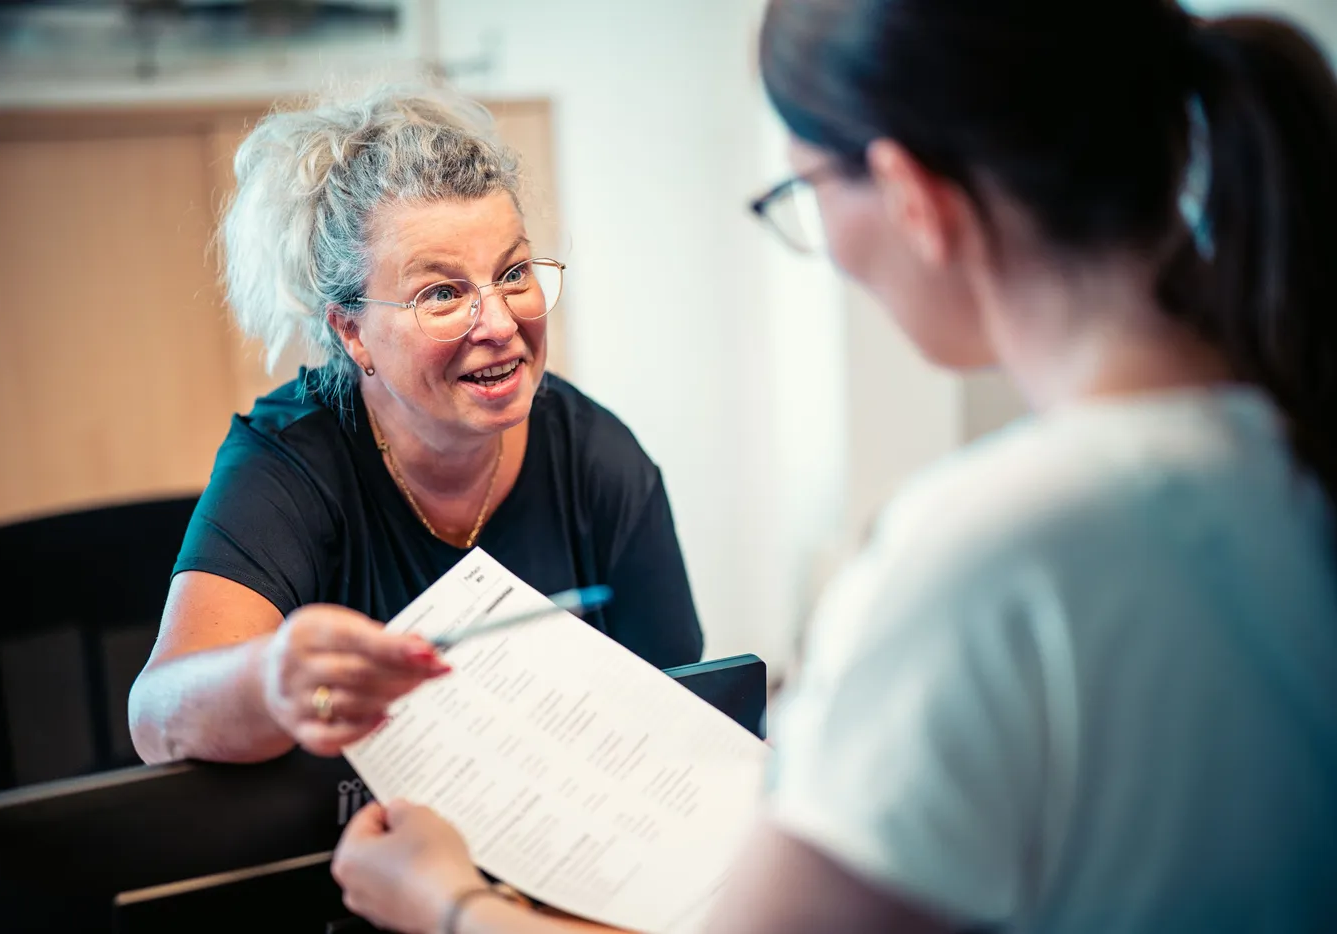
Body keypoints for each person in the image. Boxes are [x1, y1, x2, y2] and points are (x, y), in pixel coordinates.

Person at [329, 1, 1337, 932]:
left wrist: (448, 901)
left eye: (803, 189)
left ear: (910, 196)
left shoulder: (985, 551)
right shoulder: (1286, 453)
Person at [128, 88, 703, 765]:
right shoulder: (286, 465)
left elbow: (683, 723)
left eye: (513, 273)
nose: (499, 324)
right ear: (352, 332)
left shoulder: (598, 459)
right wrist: (270, 681)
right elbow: (155, 721)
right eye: (442, 293)